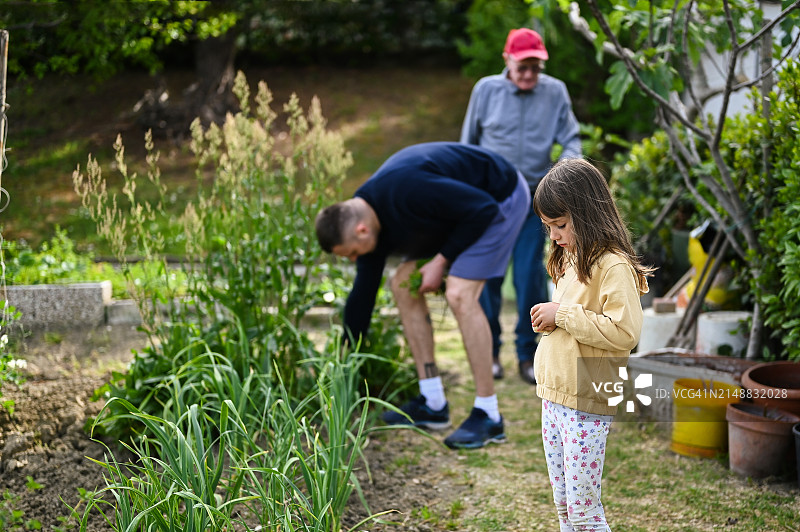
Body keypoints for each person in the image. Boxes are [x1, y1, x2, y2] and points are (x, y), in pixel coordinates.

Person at [315, 141, 530, 449]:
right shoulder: (369, 224)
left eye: (350, 253)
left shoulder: (407, 190)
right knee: (401, 284)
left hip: (500, 197)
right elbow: (362, 297)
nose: (353, 259)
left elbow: (482, 209)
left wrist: (442, 260)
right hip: (457, 217)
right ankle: (433, 402)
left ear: (361, 231)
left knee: (459, 293)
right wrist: (346, 362)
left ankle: (489, 415)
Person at [529, 158, 651, 531]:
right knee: (565, 507)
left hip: (586, 400)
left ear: (587, 213)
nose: (554, 236)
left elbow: (625, 332)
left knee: (584, 514)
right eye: (548, 227)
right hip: (555, 398)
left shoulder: (613, 265)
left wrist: (561, 314)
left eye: (560, 225)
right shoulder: (572, 257)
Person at [460, 27, 582, 385]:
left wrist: (564, 171)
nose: (529, 74)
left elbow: (571, 136)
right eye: (522, 66)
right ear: (507, 61)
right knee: (491, 276)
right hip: (492, 201)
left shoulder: (555, 91)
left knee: (530, 273)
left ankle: (528, 354)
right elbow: (468, 144)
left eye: (535, 67)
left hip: (533, 199)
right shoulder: (486, 90)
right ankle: (490, 352)